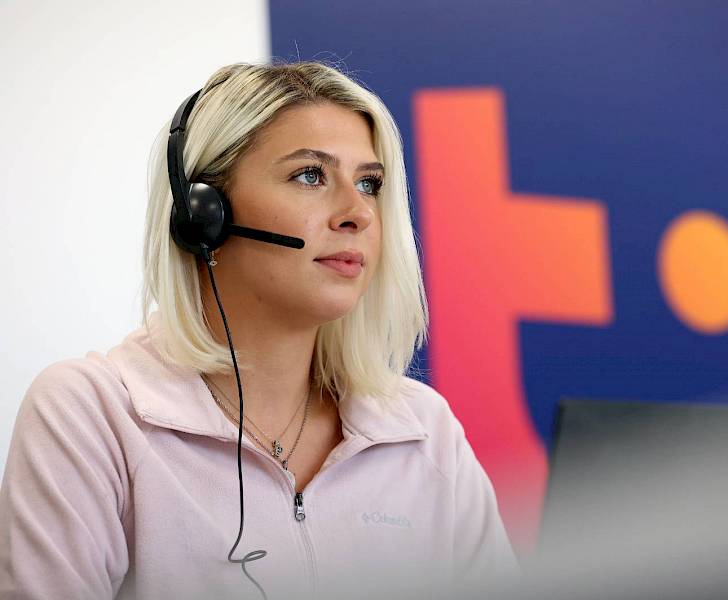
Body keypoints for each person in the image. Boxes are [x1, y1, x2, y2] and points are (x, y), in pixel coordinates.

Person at [0, 61, 517, 600]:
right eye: (311, 175)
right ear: (204, 214)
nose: (357, 213)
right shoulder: (93, 414)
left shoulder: (421, 430)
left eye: (369, 183)